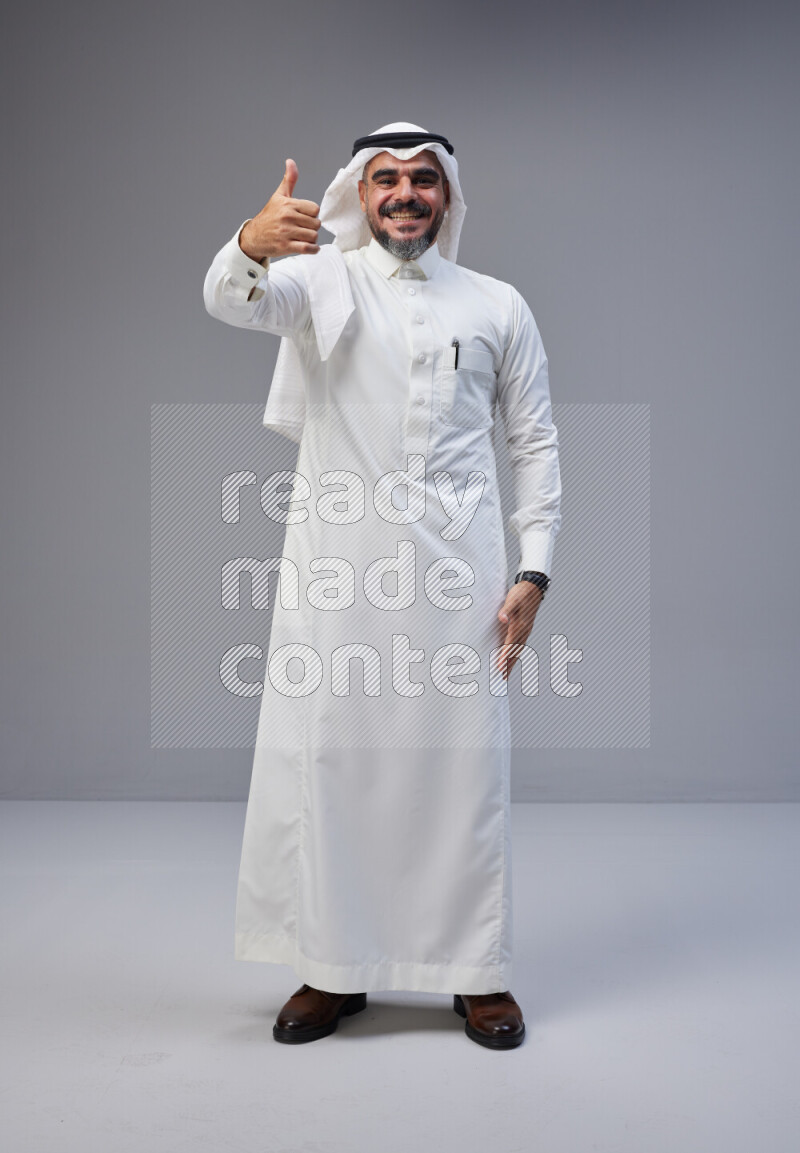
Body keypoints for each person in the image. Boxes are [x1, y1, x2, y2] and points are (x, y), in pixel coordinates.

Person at [203, 123, 562, 1050]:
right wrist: (247, 242)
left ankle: (475, 973)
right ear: (360, 196)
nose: (405, 195)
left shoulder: (497, 303)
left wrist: (535, 568)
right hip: (340, 571)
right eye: (387, 180)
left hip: (462, 579)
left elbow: (533, 442)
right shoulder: (321, 281)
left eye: (423, 181)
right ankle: (332, 968)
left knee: (462, 772)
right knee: (336, 764)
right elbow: (228, 302)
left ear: (448, 198)